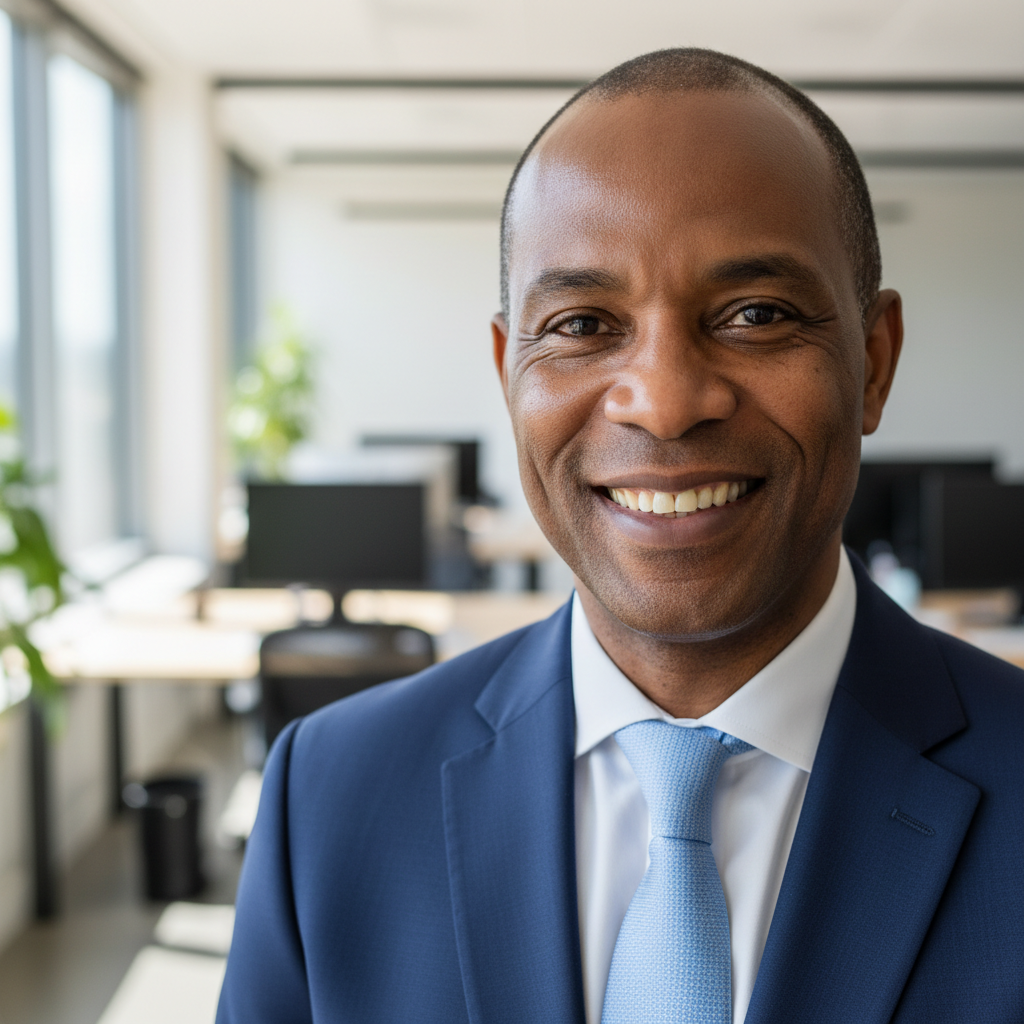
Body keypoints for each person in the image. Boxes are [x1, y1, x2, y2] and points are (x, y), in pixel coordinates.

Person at [217, 49, 1024, 1024]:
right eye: (584, 322)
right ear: (509, 368)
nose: (666, 401)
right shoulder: (331, 796)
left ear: (874, 360)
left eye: (756, 314)